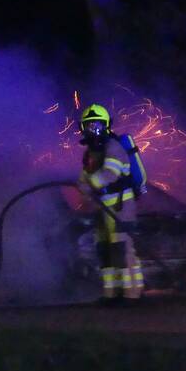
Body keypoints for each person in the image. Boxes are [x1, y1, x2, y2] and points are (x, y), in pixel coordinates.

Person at [78, 104, 144, 304]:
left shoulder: (113, 147)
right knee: (104, 249)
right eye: (90, 126)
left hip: (120, 207)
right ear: (83, 128)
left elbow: (109, 174)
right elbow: (84, 176)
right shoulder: (90, 152)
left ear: (106, 126)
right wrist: (83, 186)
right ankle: (111, 293)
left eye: (97, 125)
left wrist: (90, 185)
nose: (93, 130)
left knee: (121, 249)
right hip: (101, 208)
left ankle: (131, 294)